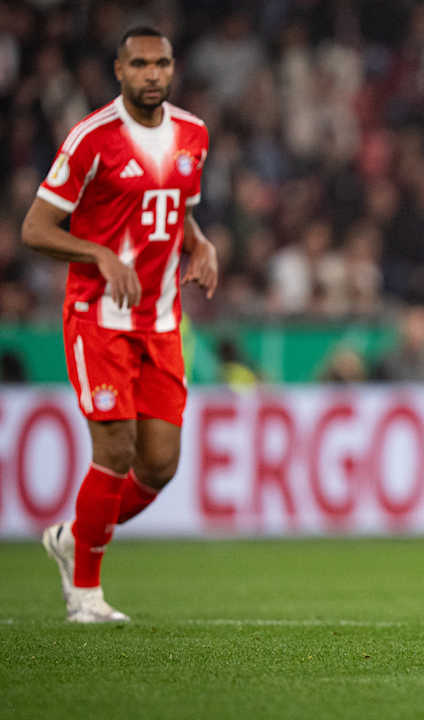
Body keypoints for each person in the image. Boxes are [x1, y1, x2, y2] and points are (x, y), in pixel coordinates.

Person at [21, 27, 216, 623]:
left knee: (159, 465)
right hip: (99, 317)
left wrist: (200, 243)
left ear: (173, 67)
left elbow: (172, 207)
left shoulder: (193, 134)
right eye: (140, 64)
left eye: (161, 63)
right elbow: (35, 228)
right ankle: (86, 594)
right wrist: (100, 255)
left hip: (160, 319)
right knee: (114, 449)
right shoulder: (90, 139)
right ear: (118, 70)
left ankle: (73, 535)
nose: (152, 74)